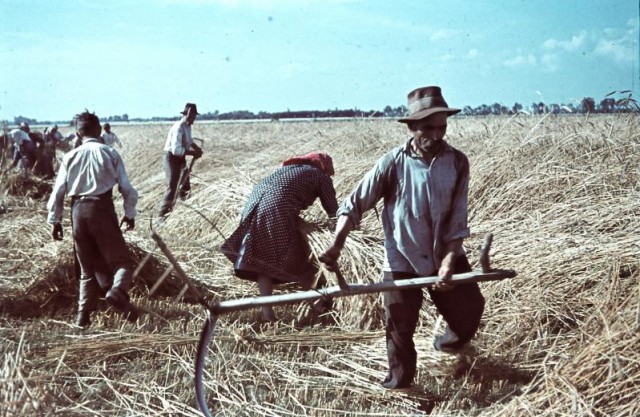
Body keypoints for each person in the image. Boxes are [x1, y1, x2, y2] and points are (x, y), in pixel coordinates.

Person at [320, 86, 485, 389]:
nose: (437, 135)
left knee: (471, 311)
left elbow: (457, 220)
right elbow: (355, 204)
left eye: (442, 127)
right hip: (402, 258)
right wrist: (336, 244)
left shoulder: (458, 162)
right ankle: (401, 387)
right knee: (399, 328)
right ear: (411, 127)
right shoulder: (393, 163)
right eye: (428, 128)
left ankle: (448, 345)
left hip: (444, 256)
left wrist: (448, 262)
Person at [46, 110, 139, 328]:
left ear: (78, 134)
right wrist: (130, 214)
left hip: (77, 211)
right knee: (122, 262)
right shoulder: (110, 153)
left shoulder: (70, 156)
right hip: (102, 208)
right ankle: (117, 292)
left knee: (87, 269)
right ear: (99, 130)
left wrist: (55, 221)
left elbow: (58, 192)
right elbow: (128, 189)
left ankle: (82, 317)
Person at [221, 151, 338, 321]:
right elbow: (333, 211)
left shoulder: (287, 170)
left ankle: (269, 315)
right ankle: (318, 307)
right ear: (324, 166)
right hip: (277, 211)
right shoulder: (320, 176)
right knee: (304, 260)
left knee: (263, 262)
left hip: (252, 210)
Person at [157, 103, 203, 217]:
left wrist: (197, 149)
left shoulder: (187, 127)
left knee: (185, 185)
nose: (193, 118)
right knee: (173, 187)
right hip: (171, 158)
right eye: (191, 115)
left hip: (181, 159)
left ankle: (185, 213)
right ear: (186, 114)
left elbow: (189, 141)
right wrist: (193, 153)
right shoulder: (178, 127)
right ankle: (162, 216)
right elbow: (176, 150)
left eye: (194, 116)